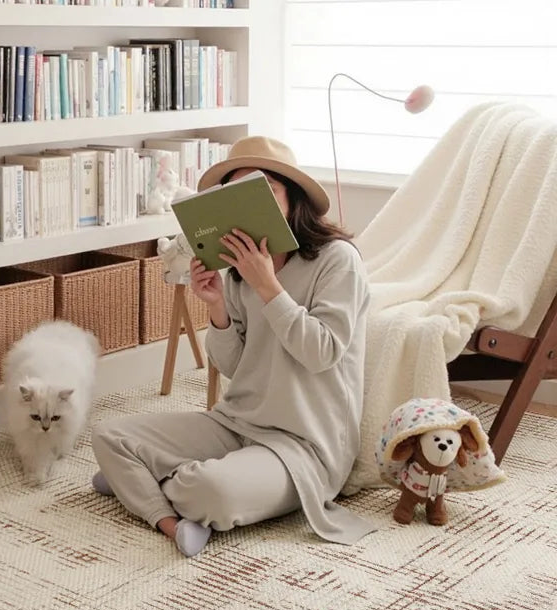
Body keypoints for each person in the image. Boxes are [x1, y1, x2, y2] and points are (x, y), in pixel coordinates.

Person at [91, 135, 376, 557]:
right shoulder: (240, 270)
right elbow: (235, 367)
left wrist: (268, 286)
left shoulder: (337, 260)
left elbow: (322, 352)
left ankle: (139, 482)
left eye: (265, 190)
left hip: (305, 447)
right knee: (110, 435)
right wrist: (218, 308)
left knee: (208, 489)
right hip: (236, 423)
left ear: (292, 199)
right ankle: (171, 522)